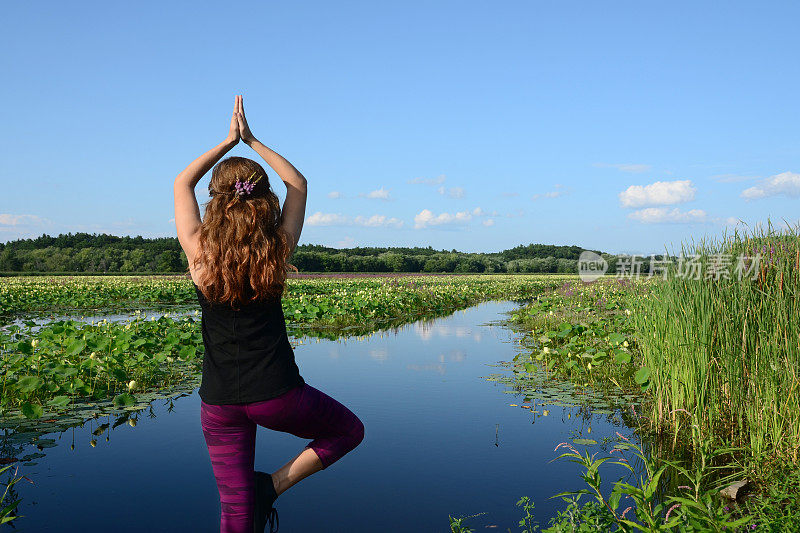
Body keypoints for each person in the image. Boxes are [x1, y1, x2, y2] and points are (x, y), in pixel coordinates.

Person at [173, 95, 365, 533]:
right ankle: (272, 486)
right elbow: (297, 184)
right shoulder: (276, 252)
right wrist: (253, 141)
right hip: (277, 395)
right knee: (348, 431)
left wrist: (227, 144)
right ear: (264, 201)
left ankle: (254, 499)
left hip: (218, 402)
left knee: (234, 516)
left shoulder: (200, 255)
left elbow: (182, 184)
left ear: (215, 202)